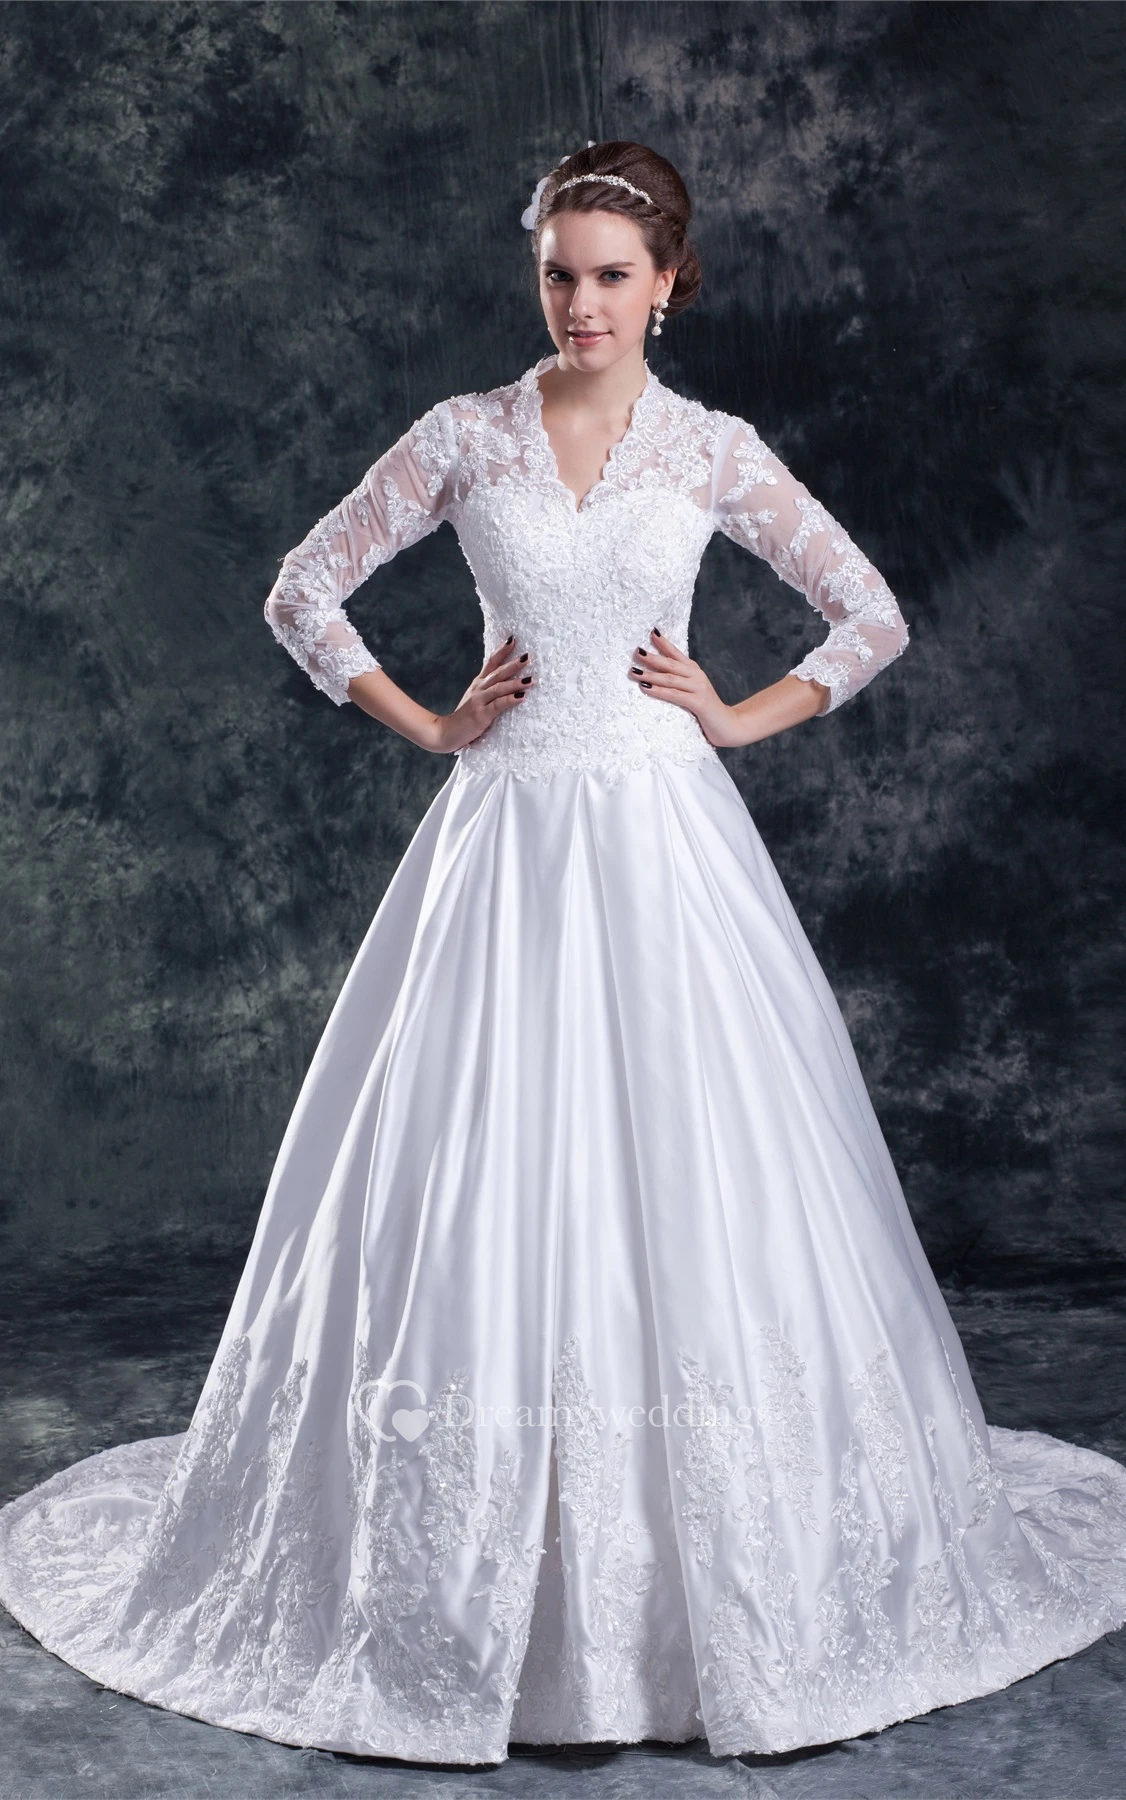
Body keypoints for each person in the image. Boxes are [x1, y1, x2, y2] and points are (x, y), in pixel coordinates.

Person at [1, 140, 1123, 1770]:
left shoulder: (711, 450)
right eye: (557, 274)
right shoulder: (462, 437)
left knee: (701, 1172)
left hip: (668, 850)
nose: (580, 303)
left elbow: (868, 615)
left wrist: (736, 714)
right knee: (473, 1171)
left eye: (610, 276)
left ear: (668, 283)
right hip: (502, 846)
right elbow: (304, 589)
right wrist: (429, 721)